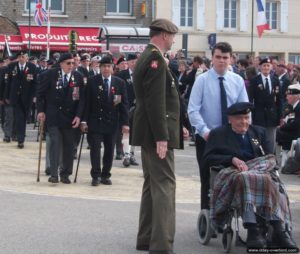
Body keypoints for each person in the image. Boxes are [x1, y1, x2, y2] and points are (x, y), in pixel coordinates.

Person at [202, 102, 298, 249]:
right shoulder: (219, 134)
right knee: (245, 177)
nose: (244, 122)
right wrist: (231, 159)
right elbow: (208, 158)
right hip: (233, 174)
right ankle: (253, 230)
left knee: (269, 180)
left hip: (259, 173)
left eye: (247, 117)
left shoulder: (258, 132)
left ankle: (279, 229)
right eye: (240, 118)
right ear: (230, 120)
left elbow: (268, 157)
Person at [132, 19, 183, 254]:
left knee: (152, 184)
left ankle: (147, 238)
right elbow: (155, 102)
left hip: (148, 131)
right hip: (156, 133)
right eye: (172, 36)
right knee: (164, 185)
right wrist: (162, 137)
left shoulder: (149, 56)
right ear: (164, 35)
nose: (173, 40)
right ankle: (162, 244)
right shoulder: (155, 59)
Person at [188, 42, 249, 209]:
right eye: (218, 57)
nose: (221, 61)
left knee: (233, 175)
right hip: (208, 137)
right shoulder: (202, 80)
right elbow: (193, 110)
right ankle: (207, 214)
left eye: (225, 58)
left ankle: (227, 212)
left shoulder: (237, 81)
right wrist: (204, 131)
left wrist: (243, 129)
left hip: (232, 137)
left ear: (231, 59)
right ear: (212, 59)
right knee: (208, 178)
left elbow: (244, 109)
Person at [80, 56, 129, 186]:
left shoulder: (120, 83)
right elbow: (86, 103)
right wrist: (83, 121)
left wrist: (125, 123)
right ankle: (95, 175)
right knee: (95, 149)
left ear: (113, 68)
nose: (106, 69)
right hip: (95, 120)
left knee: (109, 150)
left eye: (109, 66)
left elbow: (124, 104)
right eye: (104, 66)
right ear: (100, 68)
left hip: (112, 122)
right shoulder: (92, 81)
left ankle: (105, 174)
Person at [36, 53, 85, 184]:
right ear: (61, 63)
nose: (71, 66)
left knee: (69, 146)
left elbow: (81, 100)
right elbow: (40, 94)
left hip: (70, 118)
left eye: (73, 63)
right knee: (55, 143)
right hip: (53, 116)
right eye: (68, 63)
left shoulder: (78, 77)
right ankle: (53, 174)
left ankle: (65, 173)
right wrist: (40, 110)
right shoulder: (50, 74)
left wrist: (79, 116)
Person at [248, 58, 282, 153]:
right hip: (259, 115)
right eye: (264, 65)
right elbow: (250, 99)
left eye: (268, 65)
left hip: (272, 116)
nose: (266, 68)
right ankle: (259, 160)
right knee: (258, 140)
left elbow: (279, 100)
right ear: (260, 67)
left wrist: (280, 116)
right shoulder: (255, 80)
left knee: (271, 141)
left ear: (271, 67)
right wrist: (250, 115)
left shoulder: (275, 80)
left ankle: (271, 161)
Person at [5, 51, 37, 148]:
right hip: (15, 97)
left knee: (23, 118)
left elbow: (35, 83)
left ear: (27, 58)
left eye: (23, 56)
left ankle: (19, 136)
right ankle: (20, 140)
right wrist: (6, 96)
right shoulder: (12, 66)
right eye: (20, 56)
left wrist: (34, 96)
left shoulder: (32, 67)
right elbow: (8, 83)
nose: (21, 58)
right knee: (19, 118)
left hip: (27, 98)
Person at [116, 53, 139, 167]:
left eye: (135, 61)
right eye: (131, 62)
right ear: (127, 63)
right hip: (125, 107)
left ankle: (132, 154)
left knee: (135, 132)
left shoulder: (141, 74)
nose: (134, 63)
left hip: (138, 108)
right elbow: (117, 93)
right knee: (126, 131)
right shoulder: (121, 75)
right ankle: (126, 155)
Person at [276, 83, 300, 150]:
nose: (286, 98)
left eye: (288, 95)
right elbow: (287, 118)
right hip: (288, 141)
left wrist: (281, 127)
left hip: (293, 141)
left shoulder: (298, 108)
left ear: (295, 96)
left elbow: (295, 124)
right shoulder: (291, 107)